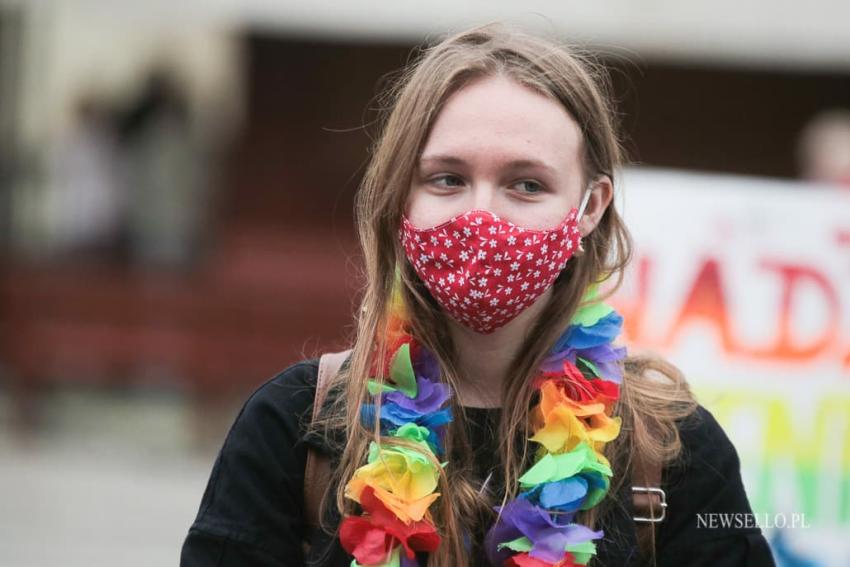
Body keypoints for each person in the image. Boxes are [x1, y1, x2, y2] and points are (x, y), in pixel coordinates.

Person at [180, 23, 776, 566]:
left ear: (589, 207)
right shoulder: (293, 427)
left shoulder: (673, 450)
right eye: (447, 178)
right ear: (400, 197)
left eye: (526, 184)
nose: (481, 216)